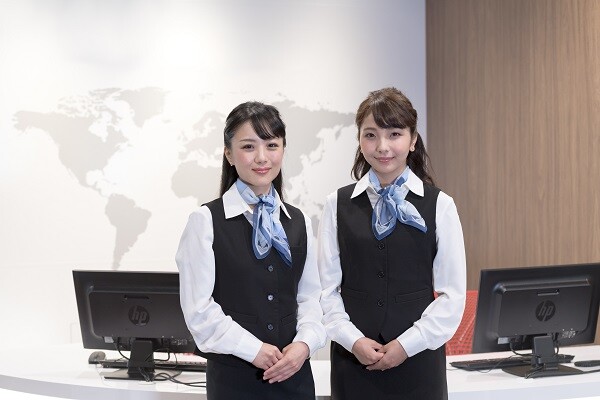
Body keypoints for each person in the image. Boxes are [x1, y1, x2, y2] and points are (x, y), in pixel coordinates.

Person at [318, 87, 466, 399]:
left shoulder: (440, 205)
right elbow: (326, 291)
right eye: (371, 135)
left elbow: (452, 296)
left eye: (395, 134)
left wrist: (406, 345)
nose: (382, 146)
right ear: (360, 140)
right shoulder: (336, 204)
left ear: (412, 140)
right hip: (353, 363)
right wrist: (353, 341)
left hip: (419, 364)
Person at [176, 101, 326, 400]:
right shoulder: (205, 221)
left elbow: (310, 297)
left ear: (283, 150)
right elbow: (199, 311)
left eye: (272, 145)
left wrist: (304, 345)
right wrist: (253, 350)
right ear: (229, 154)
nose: (261, 157)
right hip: (234, 382)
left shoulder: (299, 221)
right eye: (248, 146)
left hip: (295, 378)